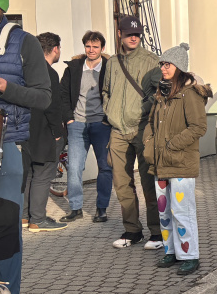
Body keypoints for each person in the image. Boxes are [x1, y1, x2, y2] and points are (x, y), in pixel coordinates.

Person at [0, 0, 51, 294]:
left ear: (1, 8)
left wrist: (1, 85)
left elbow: (43, 98)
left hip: (4, 146)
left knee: (5, 228)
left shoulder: (25, 42)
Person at [143, 43, 210, 275]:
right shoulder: (161, 93)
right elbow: (151, 122)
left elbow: (199, 127)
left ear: (179, 67)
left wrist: (172, 145)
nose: (163, 68)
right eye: (162, 64)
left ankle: (189, 255)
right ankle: (170, 251)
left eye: (168, 64)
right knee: (164, 211)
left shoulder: (190, 95)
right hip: (160, 163)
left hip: (180, 163)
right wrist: (149, 142)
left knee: (182, 211)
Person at [103, 15, 161, 249]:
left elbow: (159, 93)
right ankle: (132, 230)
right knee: (122, 183)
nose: (134, 37)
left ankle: (157, 232)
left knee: (149, 182)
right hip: (117, 130)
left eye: (137, 34)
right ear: (120, 34)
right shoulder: (112, 63)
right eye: (129, 34)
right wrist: (109, 111)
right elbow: (105, 90)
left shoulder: (151, 60)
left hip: (142, 128)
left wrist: (143, 111)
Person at [58, 31, 112, 223]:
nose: (91, 50)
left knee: (105, 167)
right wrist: (68, 118)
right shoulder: (73, 68)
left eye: (95, 47)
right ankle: (75, 208)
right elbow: (63, 94)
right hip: (77, 125)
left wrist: (108, 119)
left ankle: (101, 208)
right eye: (88, 46)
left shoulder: (109, 68)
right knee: (73, 167)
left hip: (101, 125)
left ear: (102, 49)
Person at [23, 32, 68, 232]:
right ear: (55, 49)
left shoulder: (25, 69)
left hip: (26, 130)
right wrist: (58, 132)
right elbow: (52, 106)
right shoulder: (49, 73)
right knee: (42, 174)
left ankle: (24, 217)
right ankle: (38, 220)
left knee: (30, 174)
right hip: (44, 131)